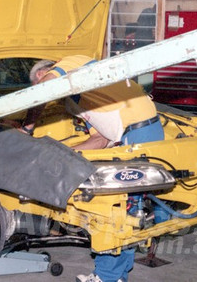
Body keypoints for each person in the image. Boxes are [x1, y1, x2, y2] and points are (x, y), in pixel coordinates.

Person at [21, 55, 164, 282]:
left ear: (40, 74)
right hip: (142, 131)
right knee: (130, 211)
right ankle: (117, 276)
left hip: (135, 133)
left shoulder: (68, 64)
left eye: (36, 83)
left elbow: (43, 90)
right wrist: (65, 151)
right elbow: (101, 139)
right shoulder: (82, 95)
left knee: (112, 210)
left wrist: (27, 128)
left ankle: (105, 276)